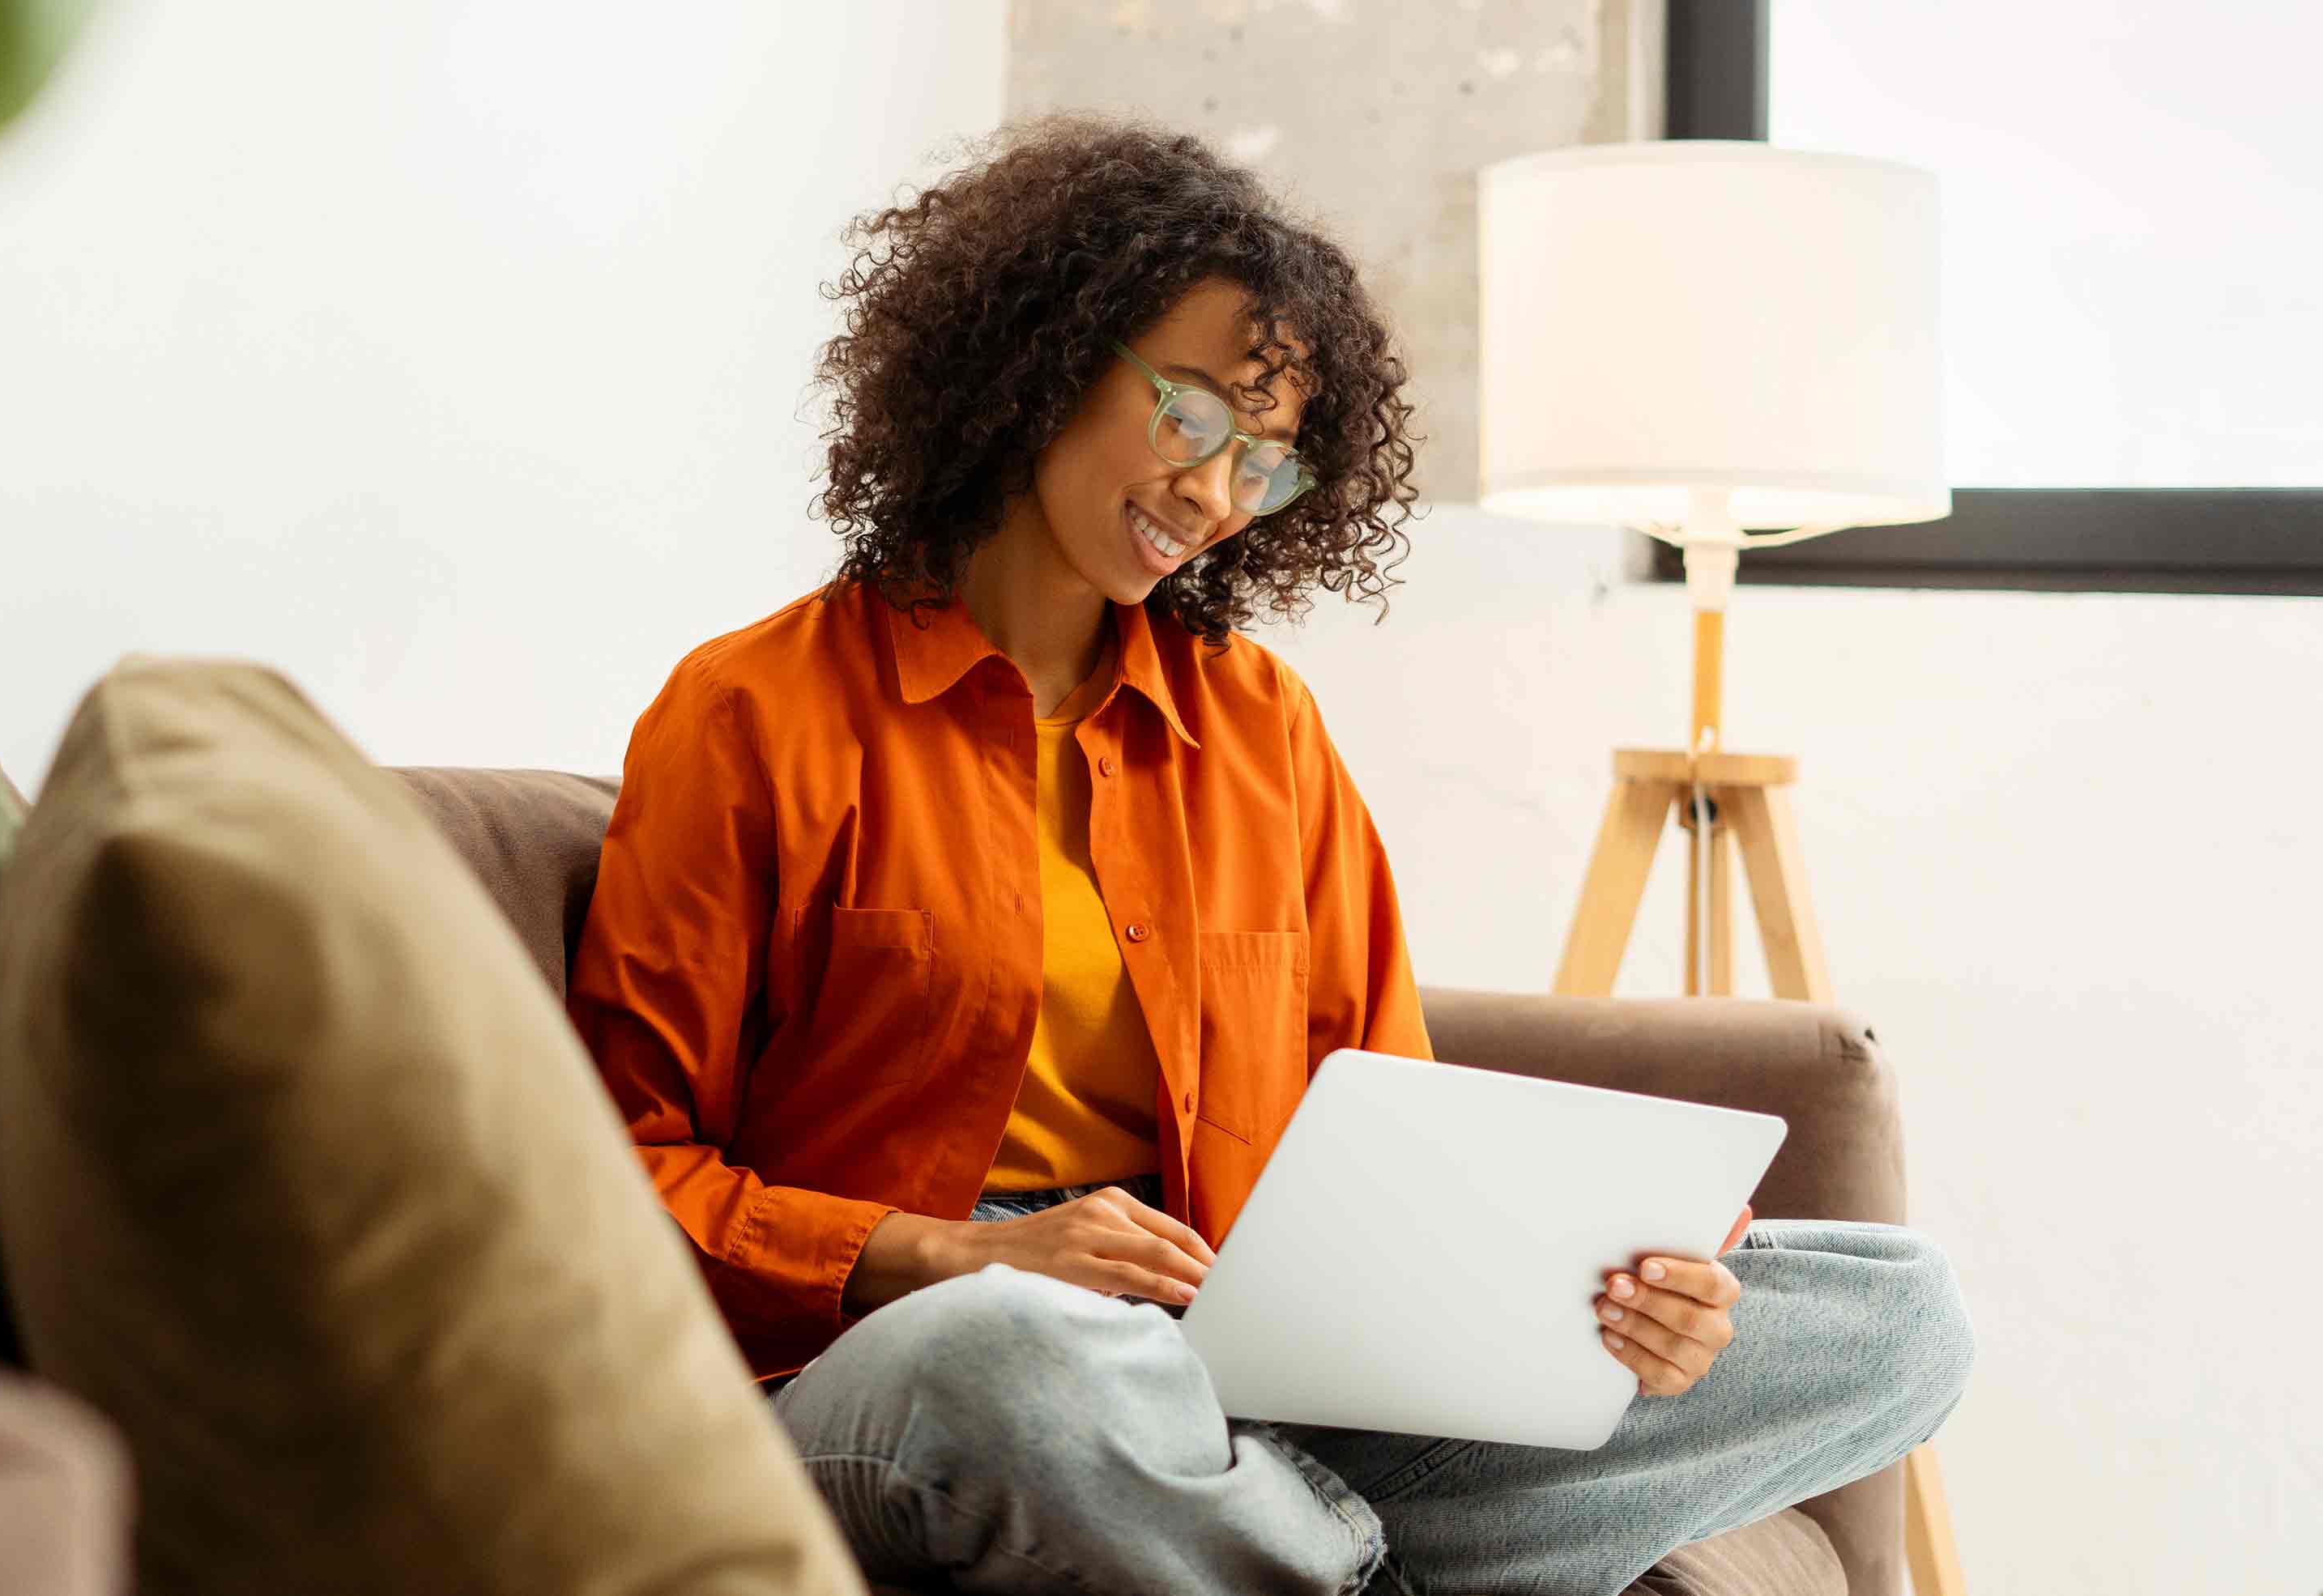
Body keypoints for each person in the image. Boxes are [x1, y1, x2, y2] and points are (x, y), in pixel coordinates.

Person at [565, 117, 1972, 1596]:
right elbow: (613, 1183)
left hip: (1241, 1372)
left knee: (1896, 1312)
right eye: (1193, 419)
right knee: (1019, 1365)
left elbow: (1394, 1129)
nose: (1218, 496)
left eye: (1268, 463)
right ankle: (1354, 1561)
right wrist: (946, 1257)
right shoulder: (751, 713)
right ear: (1046, 355)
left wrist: (1645, 1284)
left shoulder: (1260, 728)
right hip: (913, 1362)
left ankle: (1257, 1540)